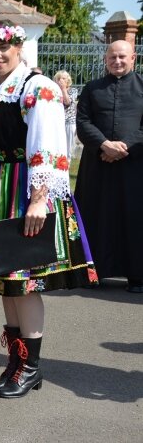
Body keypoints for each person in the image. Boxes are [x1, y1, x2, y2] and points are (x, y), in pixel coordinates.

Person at [0, 21, 97, 398]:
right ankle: (16, 360)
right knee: (6, 283)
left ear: (19, 47)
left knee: (24, 283)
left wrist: (39, 199)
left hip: (20, 189)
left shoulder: (36, 87)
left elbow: (48, 144)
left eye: (3, 48)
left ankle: (30, 367)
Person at [75, 40, 143, 293]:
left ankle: (137, 275)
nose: (117, 61)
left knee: (135, 218)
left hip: (134, 166)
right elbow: (82, 122)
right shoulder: (93, 88)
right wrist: (104, 145)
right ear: (106, 59)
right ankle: (96, 272)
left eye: (122, 56)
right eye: (112, 57)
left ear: (133, 58)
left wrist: (122, 147)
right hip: (98, 165)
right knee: (97, 215)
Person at [53, 71, 79, 157]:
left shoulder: (73, 90)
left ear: (68, 80)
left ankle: (66, 167)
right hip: (56, 122)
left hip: (69, 122)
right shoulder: (53, 91)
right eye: (58, 78)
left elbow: (67, 103)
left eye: (63, 78)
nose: (61, 80)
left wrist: (63, 89)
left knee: (68, 150)